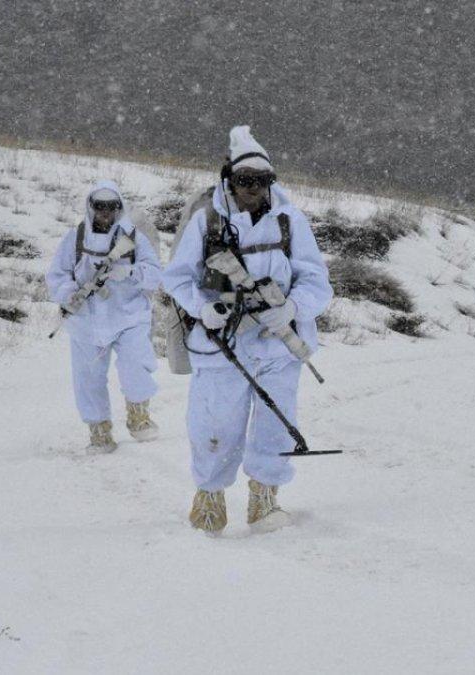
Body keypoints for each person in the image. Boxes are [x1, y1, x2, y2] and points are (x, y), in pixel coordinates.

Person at [162, 126, 332, 535]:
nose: (253, 188)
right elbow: (177, 278)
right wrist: (203, 309)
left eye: (262, 179)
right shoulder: (206, 222)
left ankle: (264, 499)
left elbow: (316, 281)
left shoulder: (290, 221)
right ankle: (209, 498)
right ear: (229, 179)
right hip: (222, 344)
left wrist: (292, 307)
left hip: (279, 345)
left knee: (276, 421)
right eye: (244, 179)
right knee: (216, 424)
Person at [46, 180, 162, 452]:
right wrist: (70, 293)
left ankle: (139, 415)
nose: (106, 211)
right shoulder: (75, 238)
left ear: (119, 207)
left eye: (112, 206)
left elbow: (155, 274)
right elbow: (57, 275)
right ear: (91, 207)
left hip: (128, 315)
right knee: (88, 377)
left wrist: (129, 272)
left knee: (135, 365)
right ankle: (99, 430)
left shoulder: (133, 238)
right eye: (100, 206)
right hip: (86, 320)